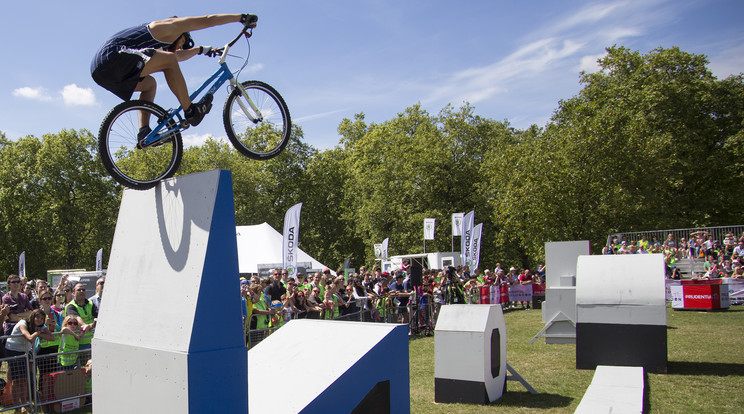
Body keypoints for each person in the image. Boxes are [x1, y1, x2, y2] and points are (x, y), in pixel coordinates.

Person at [90, 13, 258, 139]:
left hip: (102, 73)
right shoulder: (168, 27)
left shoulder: (160, 46)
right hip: (111, 58)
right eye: (182, 43)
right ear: (181, 34)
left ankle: (144, 132)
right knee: (169, 60)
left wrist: (202, 50)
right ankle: (191, 110)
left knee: (150, 84)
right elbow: (207, 20)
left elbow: (177, 57)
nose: (180, 47)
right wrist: (241, 17)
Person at [5, 309, 55, 406]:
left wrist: (41, 331)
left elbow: (51, 338)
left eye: (42, 318)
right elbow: (30, 338)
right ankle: (17, 406)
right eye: (37, 317)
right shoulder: (23, 323)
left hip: (25, 350)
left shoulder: (40, 326)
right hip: (13, 350)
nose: (39, 320)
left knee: (24, 379)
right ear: (32, 317)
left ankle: (24, 404)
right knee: (17, 380)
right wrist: (38, 333)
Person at [64, 283, 97, 363]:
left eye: (83, 289)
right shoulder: (71, 306)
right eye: (79, 290)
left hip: (91, 343)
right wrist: (85, 325)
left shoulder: (90, 303)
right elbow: (76, 318)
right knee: (79, 372)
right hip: (77, 344)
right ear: (73, 293)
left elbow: (98, 316)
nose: (81, 291)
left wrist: (92, 325)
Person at [2, 274, 34, 340]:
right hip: (11, 328)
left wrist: (18, 315)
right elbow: (11, 318)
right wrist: (25, 317)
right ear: (9, 284)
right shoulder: (6, 298)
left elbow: (31, 312)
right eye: (13, 282)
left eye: (18, 282)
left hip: (24, 326)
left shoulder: (24, 296)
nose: (16, 284)